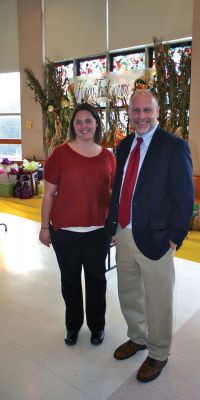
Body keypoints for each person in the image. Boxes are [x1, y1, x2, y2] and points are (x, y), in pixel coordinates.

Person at [106, 89, 194, 382]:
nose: (141, 116)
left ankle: (158, 352)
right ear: (129, 113)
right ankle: (138, 337)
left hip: (156, 237)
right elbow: (119, 188)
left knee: (157, 299)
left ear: (158, 112)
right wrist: (114, 226)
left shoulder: (174, 146)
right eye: (135, 110)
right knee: (128, 291)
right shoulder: (124, 144)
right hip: (125, 232)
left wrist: (173, 238)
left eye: (147, 110)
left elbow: (184, 198)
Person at [39, 103, 116, 346]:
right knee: (70, 282)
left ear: (96, 124)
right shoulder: (60, 154)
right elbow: (48, 195)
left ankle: (97, 327)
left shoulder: (107, 156)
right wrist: (44, 227)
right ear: (73, 126)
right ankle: (72, 326)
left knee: (96, 281)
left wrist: (114, 227)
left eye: (89, 121)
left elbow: (113, 195)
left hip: (98, 232)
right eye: (79, 121)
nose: (84, 126)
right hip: (66, 233)